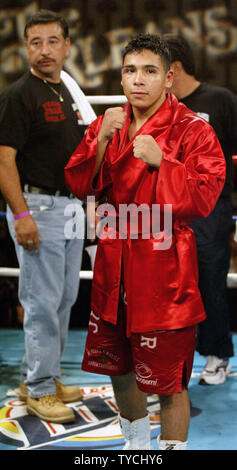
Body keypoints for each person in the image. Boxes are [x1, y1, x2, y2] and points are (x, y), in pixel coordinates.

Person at [65, 33, 225, 450]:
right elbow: (79, 184)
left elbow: (205, 197)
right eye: (130, 70)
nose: (138, 80)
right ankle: (136, 448)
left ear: (169, 78)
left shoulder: (193, 129)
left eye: (150, 71)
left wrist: (163, 162)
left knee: (170, 382)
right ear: (121, 76)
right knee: (120, 370)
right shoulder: (107, 125)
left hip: (164, 272)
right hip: (113, 268)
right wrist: (99, 143)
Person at [0, 10, 96, 423]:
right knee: (41, 302)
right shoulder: (19, 94)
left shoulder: (67, 92)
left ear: (66, 45)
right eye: (36, 42)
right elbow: (3, 162)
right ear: (26, 47)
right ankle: (39, 390)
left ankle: (43, 376)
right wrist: (21, 214)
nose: (44, 50)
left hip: (69, 206)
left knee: (64, 299)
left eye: (52, 41)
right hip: (37, 207)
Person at [164, 33, 237, 385]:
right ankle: (172, 358)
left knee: (210, 280)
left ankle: (217, 355)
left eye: (156, 68)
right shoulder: (158, 108)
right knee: (167, 286)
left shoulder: (220, 100)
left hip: (211, 210)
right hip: (167, 211)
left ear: (173, 69)